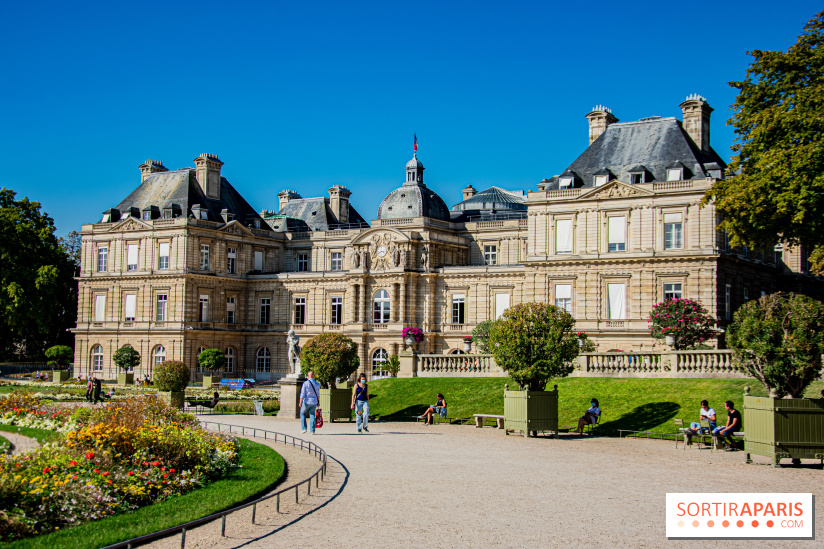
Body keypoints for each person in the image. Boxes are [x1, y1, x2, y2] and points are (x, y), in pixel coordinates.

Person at [299, 370, 320, 435]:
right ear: (313, 376)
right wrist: (318, 401)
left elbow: (302, 394)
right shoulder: (317, 384)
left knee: (302, 413)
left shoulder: (305, 383)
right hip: (314, 401)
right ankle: (312, 430)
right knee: (312, 415)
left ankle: (304, 428)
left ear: (308, 376)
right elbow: (318, 394)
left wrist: (300, 402)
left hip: (307, 401)